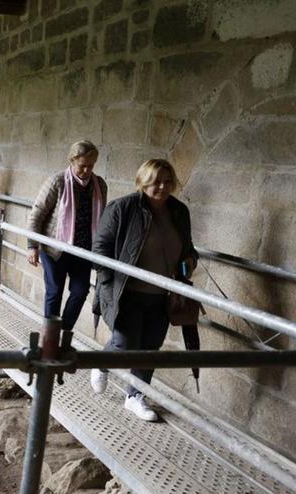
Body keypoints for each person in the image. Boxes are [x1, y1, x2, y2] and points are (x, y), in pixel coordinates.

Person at [91, 159, 197, 422]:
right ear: (143, 181)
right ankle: (102, 362)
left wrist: (189, 262)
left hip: (162, 294)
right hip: (126, 291)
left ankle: (135, 397)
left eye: (167, 181)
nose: (162, 186)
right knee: (124, 345)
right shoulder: (123, 208)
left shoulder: (179, 211)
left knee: (150, 347)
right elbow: (100, 249)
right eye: (155, 181)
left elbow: (188, 249)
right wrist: (108, 284)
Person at [27, 140, 107, 334]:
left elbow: (102, 215)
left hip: (83, 249)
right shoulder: (57, 181)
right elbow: (37, 214)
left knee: (80, 293)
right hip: (55, 248)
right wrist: (32, 246)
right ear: (72, 161)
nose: (87, 170)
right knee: (54, 292)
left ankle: (64, 332)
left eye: (91, 166)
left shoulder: (99, 185)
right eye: (82, 166)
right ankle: (49, 338)